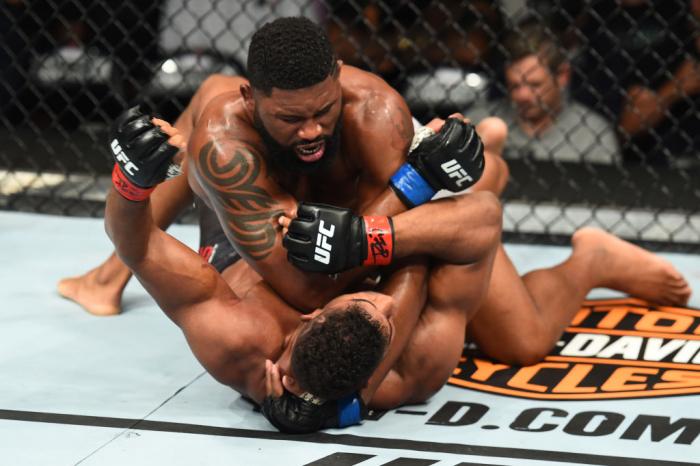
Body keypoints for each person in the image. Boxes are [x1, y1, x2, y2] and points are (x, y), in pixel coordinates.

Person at [61, 17, 690, 370]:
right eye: (290, 119)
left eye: (323, 111)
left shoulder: (375, 113)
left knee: (520, 343)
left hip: (387, 223)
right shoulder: (226, 148)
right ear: (253, 101)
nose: (310, 132)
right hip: (348, 223)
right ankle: (488, 158)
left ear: (339, 82)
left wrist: (405, 194)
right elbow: (305, 286)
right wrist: (408, 187)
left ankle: (589, 259)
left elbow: (410, 235)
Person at [105, 109, 502, 433]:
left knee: (209, 140)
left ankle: (491, 160)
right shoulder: (413, 368)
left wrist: (132, 180)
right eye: (387, 318)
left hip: (240, 256)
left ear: (312, 317)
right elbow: (467, 227)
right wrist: (420, 180)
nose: (386, 304)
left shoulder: (240, 337)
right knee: (522, 338)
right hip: (349, 226)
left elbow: (137, 248)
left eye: (368, 304)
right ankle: (492, 161)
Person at [468, 18, 620, 165]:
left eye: (534, 85)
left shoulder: (593, 134)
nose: (523, 96)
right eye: (514, 85)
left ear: (562, 76)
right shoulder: (478, 123)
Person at [574, 0, 700, 165]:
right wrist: (671, 91)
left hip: (683, 142)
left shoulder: (678, 10)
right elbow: (625, 125)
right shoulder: (598, 17)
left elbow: (692, 74)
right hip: (624, 151)